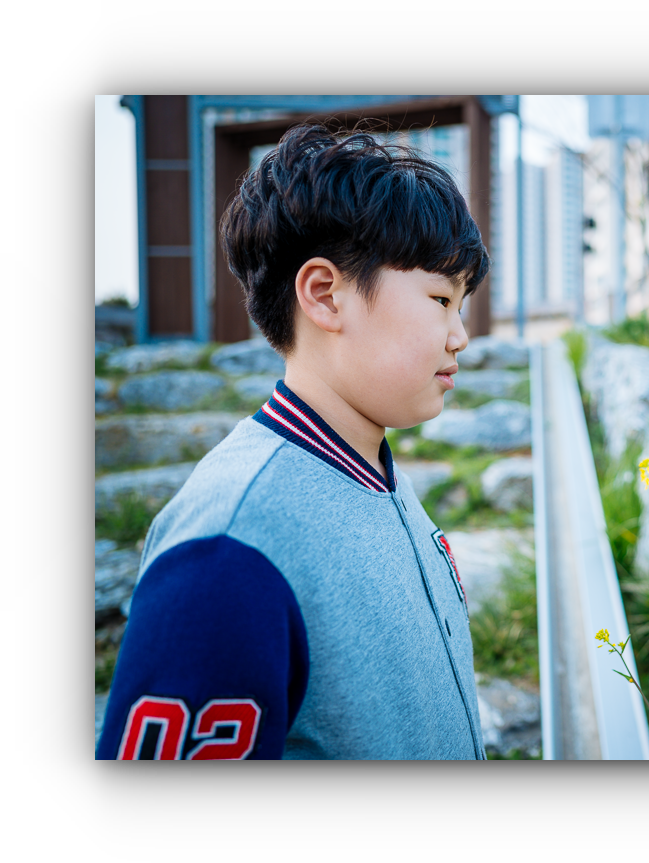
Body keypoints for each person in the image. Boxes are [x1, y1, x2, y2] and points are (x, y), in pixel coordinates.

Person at [96, 124, 490, 759]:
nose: (460, 335)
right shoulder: (227, 549)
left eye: (462, 304)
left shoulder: (376, 478)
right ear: (325, 295)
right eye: (442, 298)